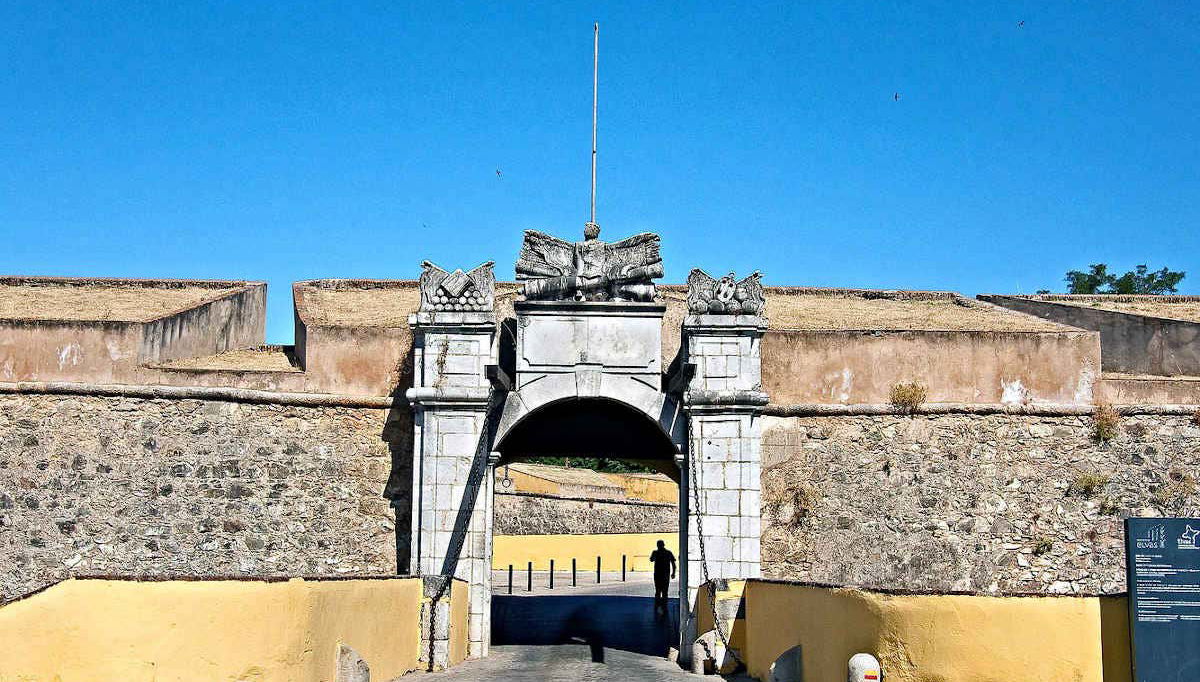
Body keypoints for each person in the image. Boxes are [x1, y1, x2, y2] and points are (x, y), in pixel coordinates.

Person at [649, 539, 676, 609]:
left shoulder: (655, 552)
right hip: (665, 575)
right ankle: (664, 606)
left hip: (658, 575)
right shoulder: (668, 553)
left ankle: (657, 605)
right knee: (664, 591)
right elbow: (673, 564)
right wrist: (673, 573)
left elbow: (651, 559)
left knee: (658, 591)